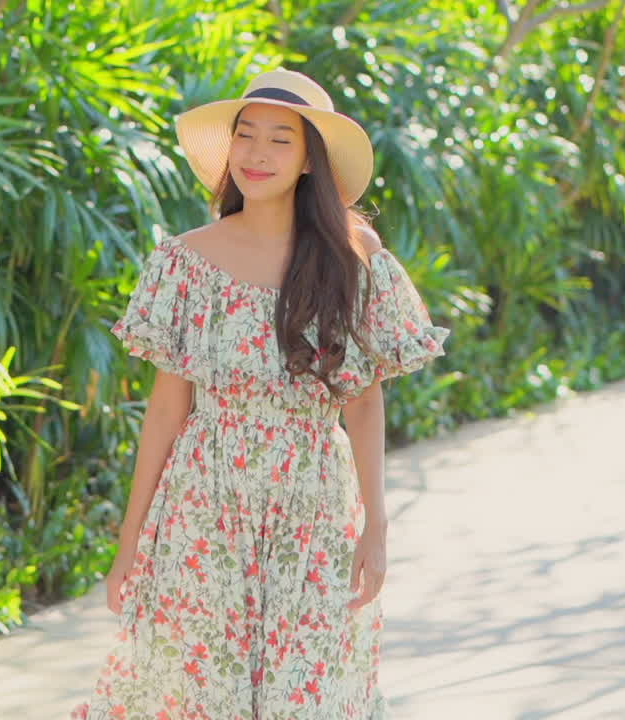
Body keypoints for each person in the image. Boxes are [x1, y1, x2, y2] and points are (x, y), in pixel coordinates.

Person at [71, 68, 450, 719]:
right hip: (204, 504)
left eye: (280, 140)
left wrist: (377, 527)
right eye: (245, 135)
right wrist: (131, 538)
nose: (257, 154)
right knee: (200, 692)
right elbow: (167, 409)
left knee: (305, 693)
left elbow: (362, 402)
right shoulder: (184, 261)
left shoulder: (351, 260)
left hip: (312, 509)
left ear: (310, 160)